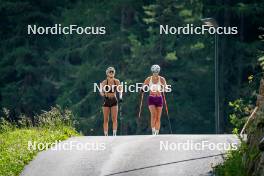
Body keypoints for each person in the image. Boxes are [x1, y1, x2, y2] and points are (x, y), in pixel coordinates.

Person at [143, 65, 167, 135]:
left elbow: (165, 87)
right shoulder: (148, 79)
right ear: (152, 71)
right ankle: (153, 130)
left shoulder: (162, 79)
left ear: (158, 71)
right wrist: (143, 89)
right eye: (154, 72)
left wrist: (164, 88)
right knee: (153, 115)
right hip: (151, 98)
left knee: (158, 117)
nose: (155, 73)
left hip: (159, 98)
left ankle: (157, 132)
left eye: (157, 72)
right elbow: (143, 86)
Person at [100, 67, 122, 136]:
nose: (111, 73)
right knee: (106, 119)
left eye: (112, 72)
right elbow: (101, 91)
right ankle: (106, 134)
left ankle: (114, 134)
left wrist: (120, 97)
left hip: (114, 100)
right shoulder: (104, 82)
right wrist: (104, 94)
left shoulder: (117, 81)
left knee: (114, 118)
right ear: (107, 73)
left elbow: (120, 90)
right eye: (110, 72)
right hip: (106, 100)